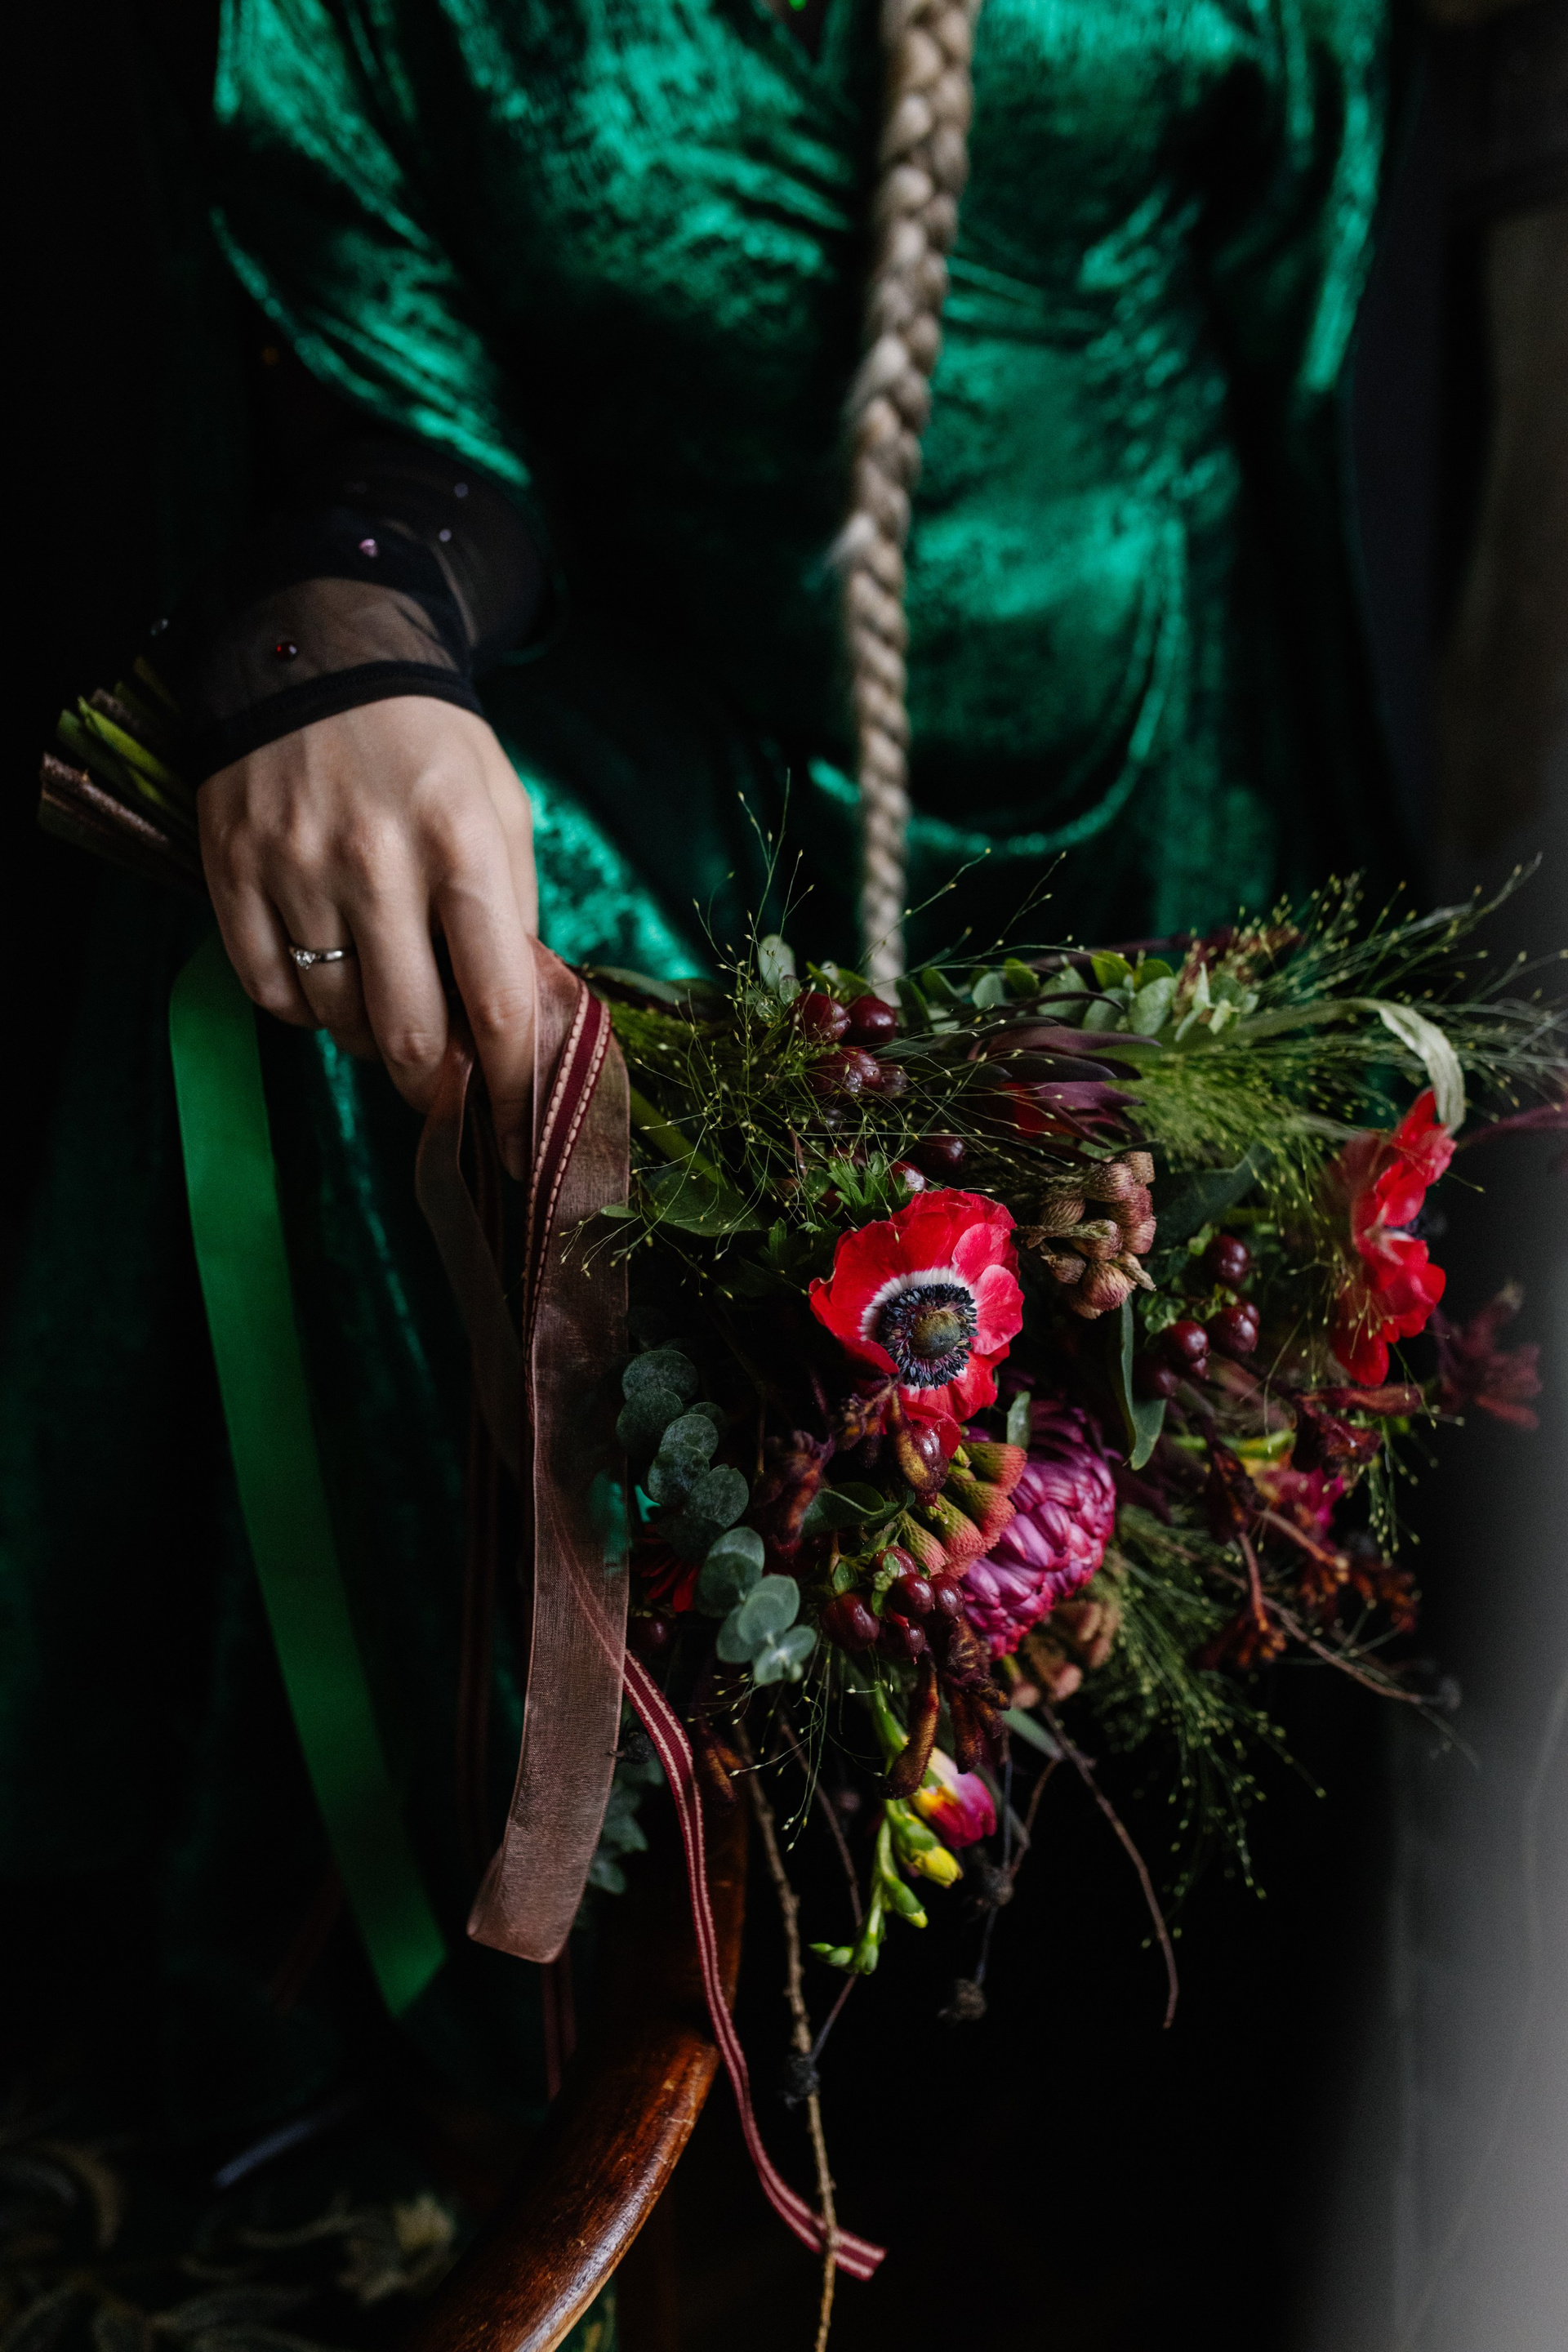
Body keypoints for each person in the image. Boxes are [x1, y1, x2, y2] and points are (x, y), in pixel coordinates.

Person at [1, 0, 1414, 2303]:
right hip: (704, 845)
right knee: (419, 956)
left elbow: (1300, 291)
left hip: (1187, 814)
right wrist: (349, 628)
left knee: (1212, 1650)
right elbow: (406, 408)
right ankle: (499, 1994)